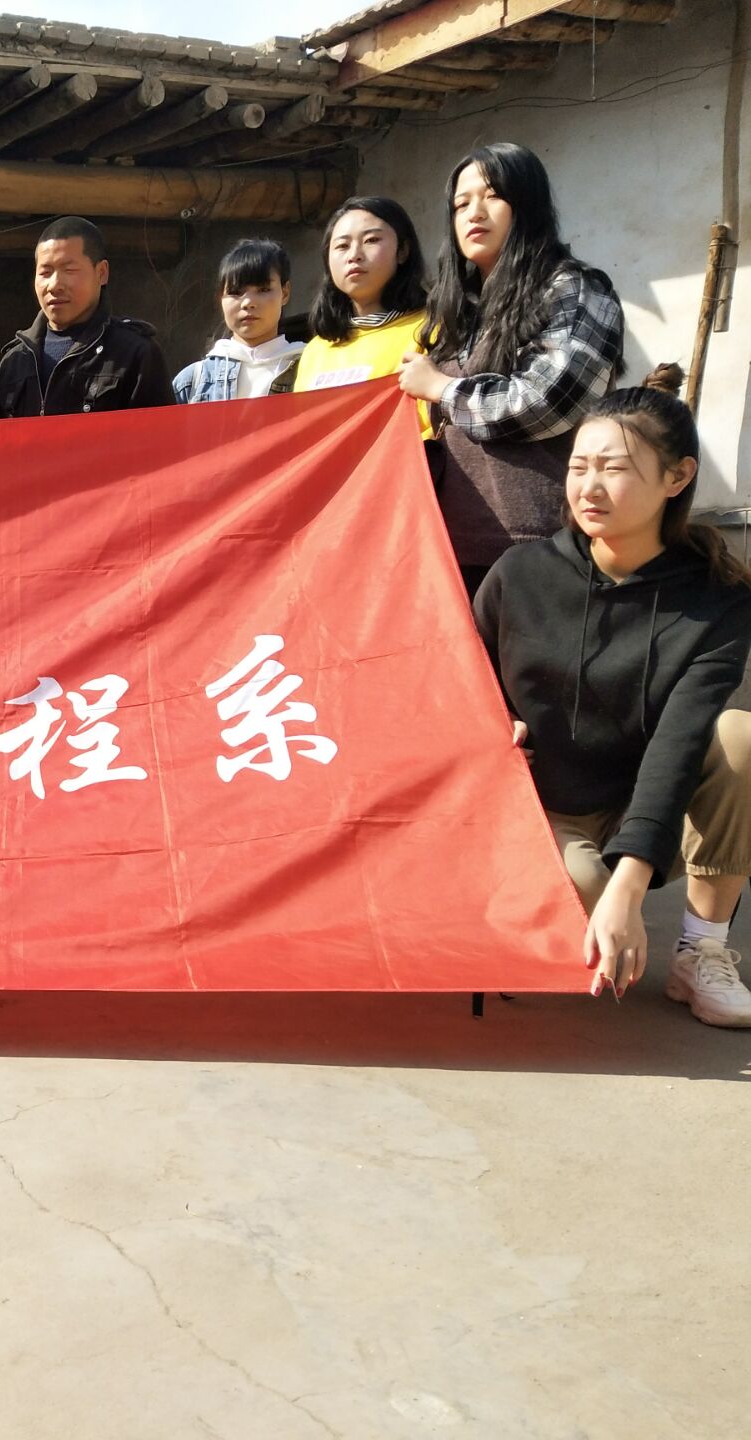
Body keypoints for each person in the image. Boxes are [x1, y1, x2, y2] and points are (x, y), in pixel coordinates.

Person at [474, 366, 751, 1026]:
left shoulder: (718, 597)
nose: (588, 487)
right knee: (579, 916)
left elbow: (682, 740)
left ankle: (701, 950)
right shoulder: (520, 573)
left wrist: (632, 881)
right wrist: (496, 719)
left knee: (740, 737)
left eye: (614, 469)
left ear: (677, 478)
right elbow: (459, 681)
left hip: (644, 799)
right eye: (579, 467)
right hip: (542, 806)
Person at [398, 142, 626, 593]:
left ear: (527, 203)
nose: (474, 213)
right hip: (454, 545)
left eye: (493, 196)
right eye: (461, 204)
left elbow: (547, 400)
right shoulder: (458, 310)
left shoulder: (574, 288)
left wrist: (442, 388)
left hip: (543, 543)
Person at [0, 216, 171, 418]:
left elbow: (158, 435)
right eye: (45, 272)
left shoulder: (135, 354)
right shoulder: (15, 360)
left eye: (69, 270)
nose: (54, 285)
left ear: (102, 273)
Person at [292, 195, 431, 435]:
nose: (354, 255)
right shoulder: (316, 350)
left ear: (403, 250)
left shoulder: (431, 328)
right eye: (342, 246)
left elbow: (433, 426)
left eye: (371, 240)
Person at [172, 238, 307, 403]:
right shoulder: (192, 383)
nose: (248, 302)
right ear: (220, 297)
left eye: (263, 290)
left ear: (285, 293)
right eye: (235, 292)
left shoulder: (313, 371)